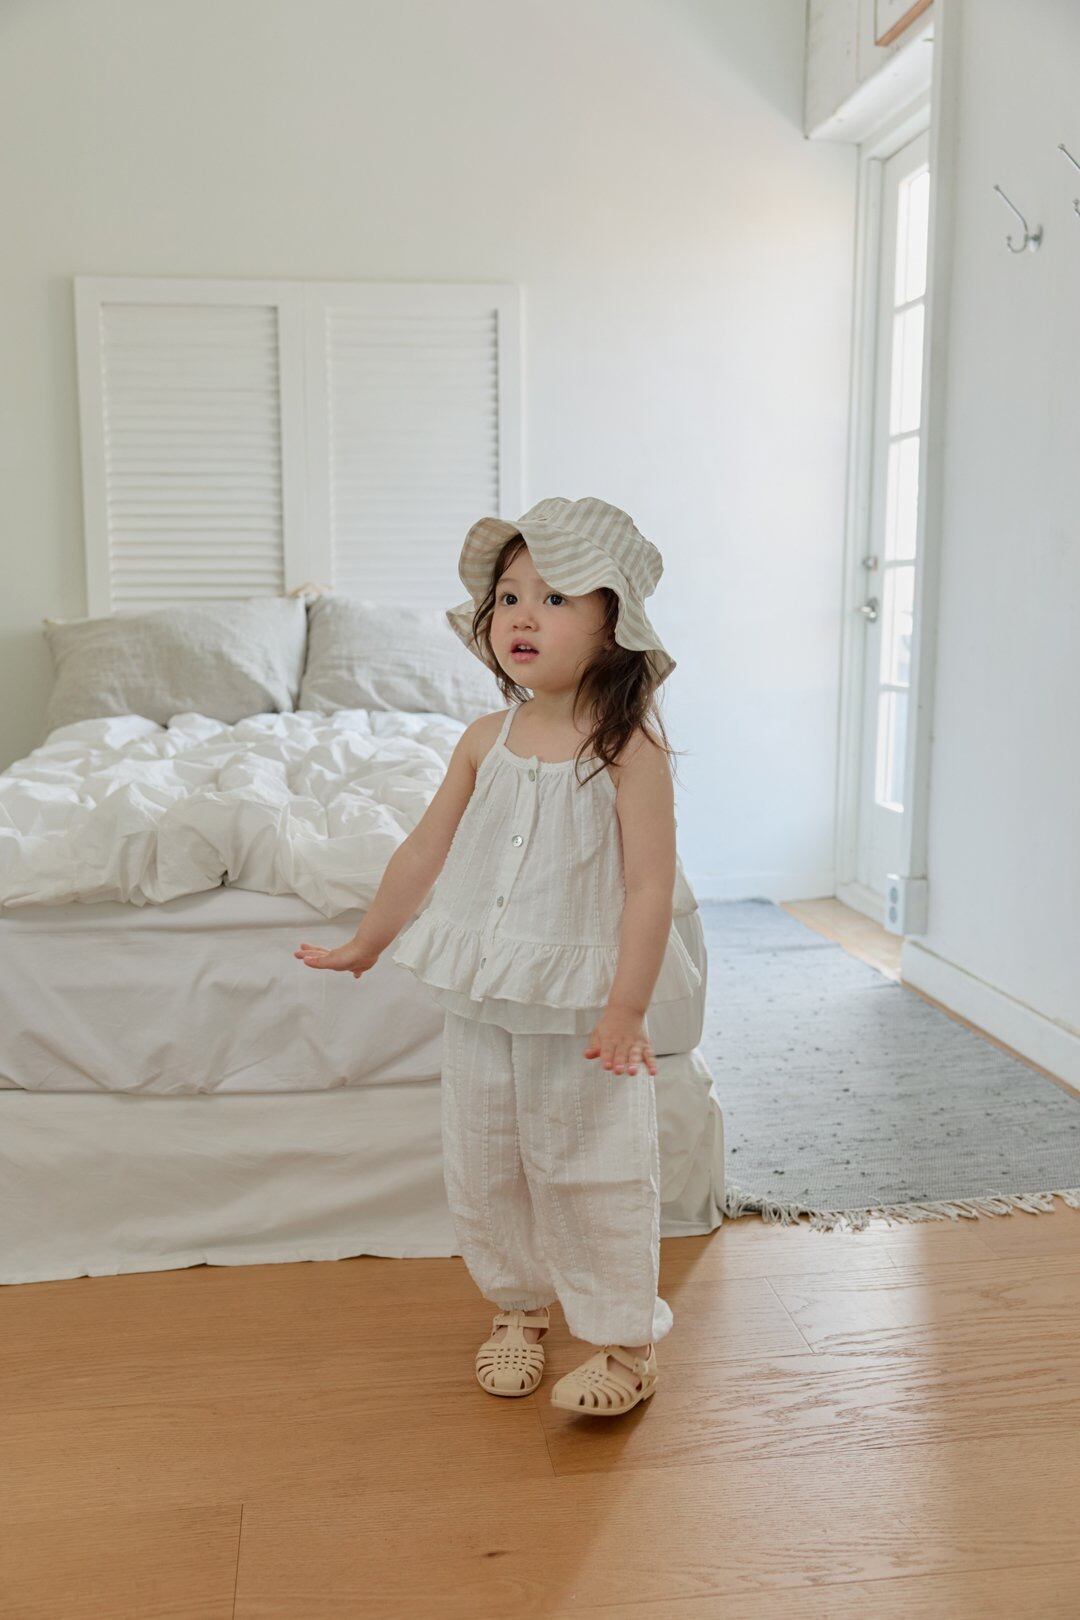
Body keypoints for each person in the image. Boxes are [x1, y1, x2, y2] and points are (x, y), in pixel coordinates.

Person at [295, 496, 702, 1417]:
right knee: (486, 1159)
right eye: (510, 595)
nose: (523, 614)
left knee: (591, 1164)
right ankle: (518, 1305)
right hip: (482, 995)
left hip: (582, 1007)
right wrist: (368, 941)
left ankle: (624, 1340)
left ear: (614, 627)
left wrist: (628, 1008)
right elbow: (424, 851)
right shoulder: (485, 739)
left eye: (556, 598)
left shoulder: (629, 752)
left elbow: (649, 888)